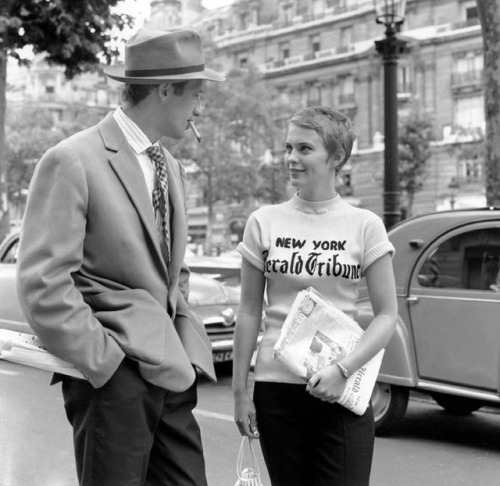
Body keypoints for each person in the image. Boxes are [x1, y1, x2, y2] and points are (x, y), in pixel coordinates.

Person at [17, 27, 225, 486]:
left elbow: (175, 271)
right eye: (195, 93)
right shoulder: (71, 160)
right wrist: (107, 366)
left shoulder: (169, 166)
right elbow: (43, 284)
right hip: (114, 381)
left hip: (172, 373)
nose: (199, 107)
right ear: (166, 90)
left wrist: (185, 347)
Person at [232, 106, 397, 486]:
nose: (291, 158)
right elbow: (249, 311)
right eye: (289, 148)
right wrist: (241, 392)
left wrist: (343, 370)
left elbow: (387, 315)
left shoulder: (366, 226)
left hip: (342, 389)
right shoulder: (263, 222)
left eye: (305, 149)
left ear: (337, 157)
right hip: (277, 392)